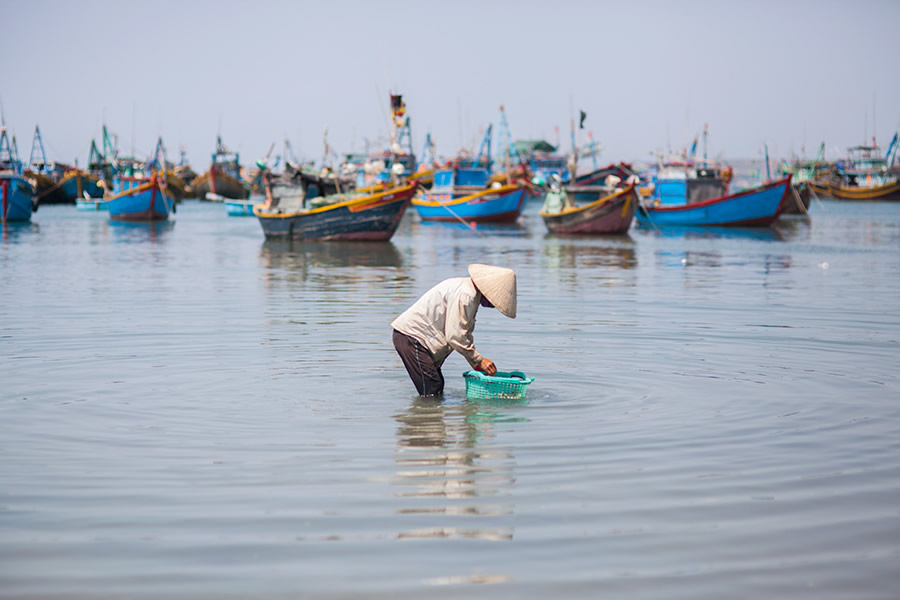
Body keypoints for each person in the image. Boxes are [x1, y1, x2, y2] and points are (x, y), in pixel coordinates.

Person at [391, 264, 517, 397]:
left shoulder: (469, 293)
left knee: (435, 387)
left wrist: (476, 363)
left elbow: (463, 334)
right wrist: (479, 360)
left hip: (420, 341)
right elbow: (455, 336)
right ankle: (426, 416)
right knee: (432, 388)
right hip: (412, 338)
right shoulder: (466, 294)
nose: (493, 306)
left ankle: (431, 415)